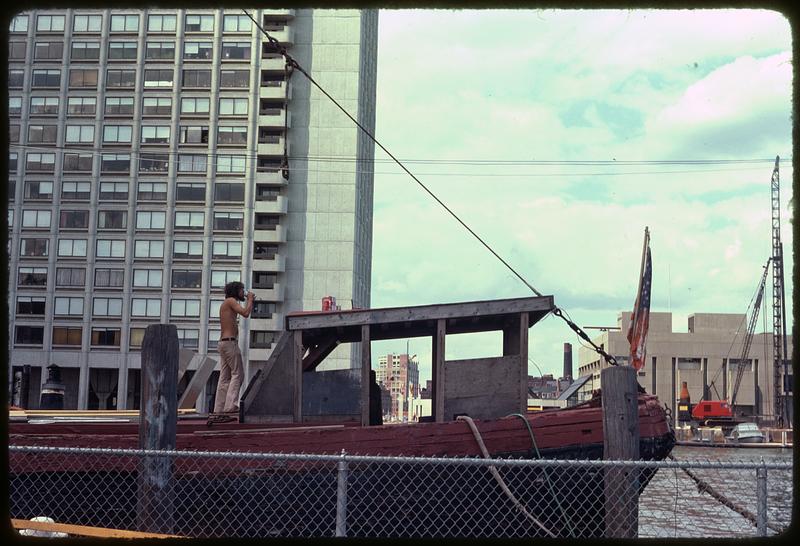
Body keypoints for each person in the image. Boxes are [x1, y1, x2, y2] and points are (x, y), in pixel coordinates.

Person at [212, 281, 254, 419]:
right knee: (238, 374)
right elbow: (246, 313)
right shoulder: (230, 301)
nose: (244, 292)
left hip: (223, 343)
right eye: (242, 290)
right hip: (230, 343)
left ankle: (219, 408)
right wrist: (250, 300)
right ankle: (230, 406)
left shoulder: (225, 304)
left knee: (224, 377)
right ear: (236, 291)